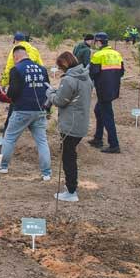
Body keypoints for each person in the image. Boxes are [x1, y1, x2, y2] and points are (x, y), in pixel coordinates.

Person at [0, 46, 52, 180]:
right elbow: (48, 90)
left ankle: (3, 166)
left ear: (16, 57)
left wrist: (9, 96)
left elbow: (13, 92)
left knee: (9, 137)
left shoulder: (16, 69)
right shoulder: (42, 69)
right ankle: (46, 173)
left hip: (22, 109)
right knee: (42, 141)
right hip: (40, 110)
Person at [45, 51, 92, 202]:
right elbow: (72, 96)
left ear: (64, 64)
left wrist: (50, 93)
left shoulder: (69, 79)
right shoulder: (85, 77)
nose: (60, 70)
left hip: (70, 125)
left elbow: (60, 101)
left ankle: (71, 191)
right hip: (81, 123)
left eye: (60, 67)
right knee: (70, 155)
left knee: (68, 157)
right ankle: (70, 187)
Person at [88, 32, 124, 153]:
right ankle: (98, 138)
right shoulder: (117, 54)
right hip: (114, 89)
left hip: (103, 90)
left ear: (98, 42)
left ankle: (114, 145)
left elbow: (92, 73)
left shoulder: (98, 55)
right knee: (98, 110)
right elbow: (122, 72)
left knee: (107, 116)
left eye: (95, 42)